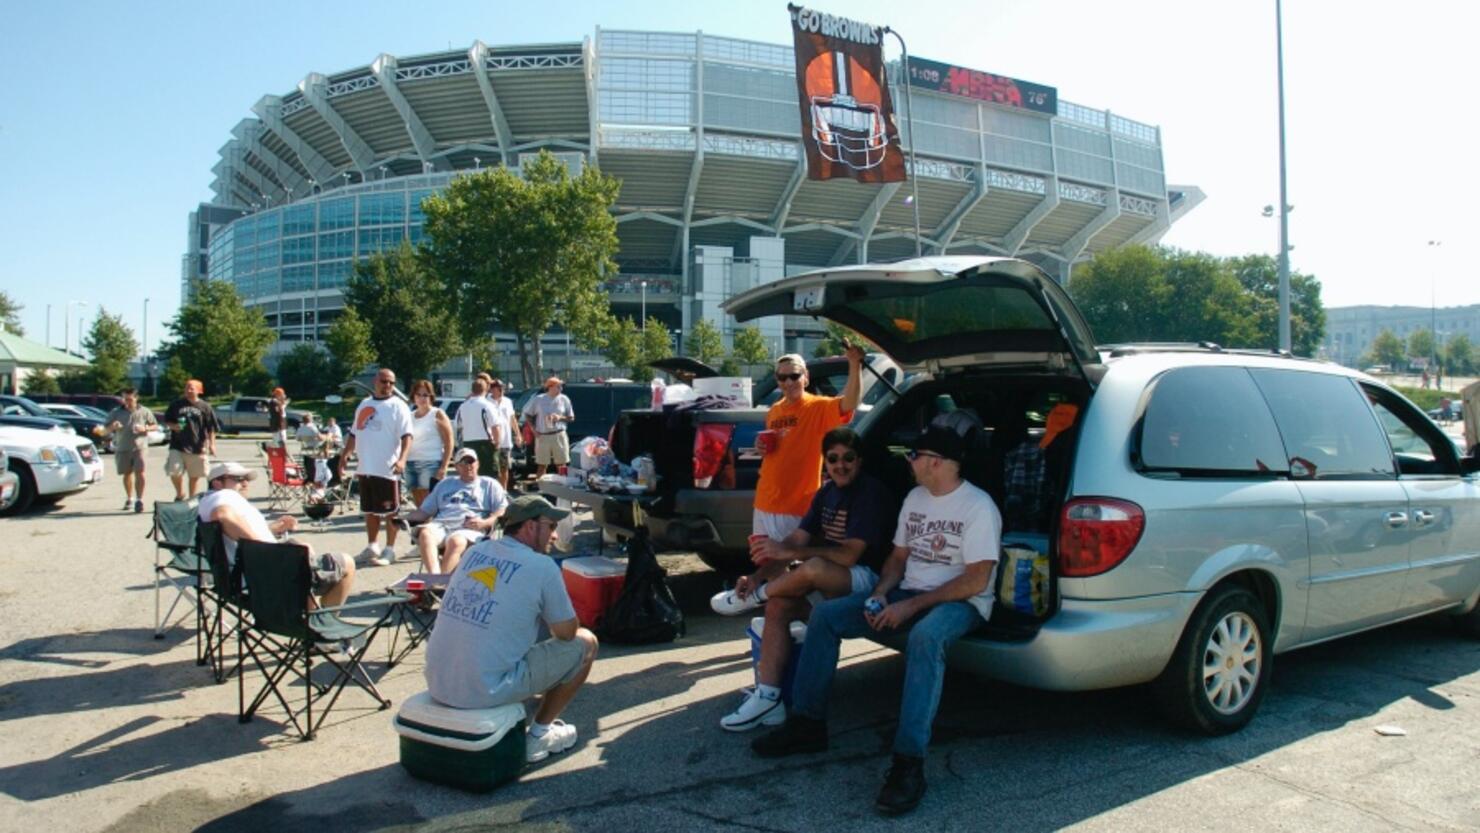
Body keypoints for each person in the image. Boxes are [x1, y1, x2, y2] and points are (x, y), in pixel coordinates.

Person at [752, 414, 1000, 817]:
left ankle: (908, 764)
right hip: (906, 591)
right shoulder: (915, 499)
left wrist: (911, 606)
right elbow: (898, 557)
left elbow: (976, 580)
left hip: (960, 603)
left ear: (936, 461)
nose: (910, 461)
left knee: (925, 638)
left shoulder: (978, 507)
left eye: (916, 455)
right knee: (827, 616)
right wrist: (882, 593)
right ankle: (808, 724)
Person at [712, 427, 897, 731]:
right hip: (831, 580)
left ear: (859, 461)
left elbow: (850, 555)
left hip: (869, 580)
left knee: (813, 566)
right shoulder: (825, 493)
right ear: (825, 462)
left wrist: (793, 557)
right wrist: (757, 576)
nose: (841, 465)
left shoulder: (870, 493)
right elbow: (792, 544)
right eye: (833, 458)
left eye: (848, 458)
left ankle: (752, 600)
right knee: (779, 607)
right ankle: (769, 699)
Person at [425, 494, 599, 764]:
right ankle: (540, 735)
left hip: (438, 681)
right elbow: (566, 633)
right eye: (550, 527)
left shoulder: (475, 551)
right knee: (586, 642)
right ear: (530, 527)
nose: (554, 535)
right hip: (484, 690)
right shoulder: (542, 566)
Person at [197, 461, 355, 608]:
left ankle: (312, 617)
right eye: (238, 479)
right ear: (217, 483)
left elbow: (230, 530)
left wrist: (271, 529)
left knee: (302, 547)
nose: (245, 483)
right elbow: (222, 515)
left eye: (246, 479)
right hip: (266, 575)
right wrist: (267, 549)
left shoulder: (207, 501)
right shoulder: (223, 496)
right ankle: (318, 623)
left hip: (242, 575)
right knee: (347, 563)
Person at [751, 347, 864, 545]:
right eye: (782, 377)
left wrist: (854, 365)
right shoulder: (774, 410)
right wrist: (759, 445)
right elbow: (777, 447)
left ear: (806, 377)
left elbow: (850, 403)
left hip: (796, 505)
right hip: (764, 500)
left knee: (786, 562)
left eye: (794, 376)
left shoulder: (818, 407)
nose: (788, 382)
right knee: (764, 560)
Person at [341, 368, 414, 567]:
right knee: (369, 510)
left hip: (388, 468)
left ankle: (389, 549)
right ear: (376, 381)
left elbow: (407, 436)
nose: (387, 385)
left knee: (391, 511)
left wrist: (402, 459)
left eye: (391, 382)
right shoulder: (364, 404)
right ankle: (372, 546)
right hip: (366, 466)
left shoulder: (398, 406)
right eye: (384, 381)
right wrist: (345, 454)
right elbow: (355, 433)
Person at [406, 447, 508, 574]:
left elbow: (502, 510)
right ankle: (434, 578)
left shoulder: (489, 484)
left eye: (471, 462)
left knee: (456, 541)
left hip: (470, 528)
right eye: (463, 463)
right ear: (457, 466)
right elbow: (424, 511)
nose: (468, 466)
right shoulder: (444, 484)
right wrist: (403, 519)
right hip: (442, 525)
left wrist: (485, 522)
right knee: (425, 533)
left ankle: (441, 583)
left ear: (478, 463)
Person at [103, 387, 158, 513]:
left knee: (140, 472)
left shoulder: (144, 411)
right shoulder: (116, 412)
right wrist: (113, 426)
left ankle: (140, 499)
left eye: (129, 398)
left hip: (140, 447)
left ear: (136, 398)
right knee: (127, 473)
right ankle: (130, 498)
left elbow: (154, 425)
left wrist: (145, 428)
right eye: (124, 399)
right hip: (123, 447)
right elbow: (105, 429)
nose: (126, 401)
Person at [164, 379, 219, 500]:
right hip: (177, 445)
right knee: (174, 472)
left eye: (191, 388)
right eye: (186, 387)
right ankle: (180, 494)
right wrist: (174, 426)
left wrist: (212, 444)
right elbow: (167, 420)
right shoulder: (176, 404)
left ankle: (191, 499)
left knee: (194, 476)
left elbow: (211, 428)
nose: (188, 390)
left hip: (197, 446)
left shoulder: (205, 407)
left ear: (199, 390)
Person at [406, 379, 455, 507]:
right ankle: (422, 525)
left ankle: (429, 525)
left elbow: (449, 441)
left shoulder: (437, 414)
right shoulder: (409, 416)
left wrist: (444, 466)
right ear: (413, 396)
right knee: (417, 500)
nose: (422, 398)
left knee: (430, 501)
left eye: (425, 395)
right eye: (419, 395)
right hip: (410, 462)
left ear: (431, 396)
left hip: (431, 462)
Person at [522, 377, 574, 479]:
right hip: (543, 436)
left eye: (561, 386)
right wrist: (534, 430)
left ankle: (563, 488)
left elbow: (571, 417)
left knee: (561, 465)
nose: (561, 389)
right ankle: (541, 487)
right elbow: (528, 414)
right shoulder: (539, 399)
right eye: (558, 386)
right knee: (542, 465)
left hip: (559, 434)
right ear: (550, 387)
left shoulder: (564, 399)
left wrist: (560, 417)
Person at [455, 379, 503, 483]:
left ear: (472, 390)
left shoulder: (462, 406)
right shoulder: (487, 405)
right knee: (489, 476)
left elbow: (458, 426)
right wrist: (497, 443)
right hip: (485, 444)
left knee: (471, 474)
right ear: (486, 389)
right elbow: (495, 426)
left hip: (468, 444)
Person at [488, 378, 521, 491]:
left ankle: (504, 492)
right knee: (493, 470)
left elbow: (512, 419)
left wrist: (517, 434)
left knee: (505, 468)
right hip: (492, 442)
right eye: (498, 388)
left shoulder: (508, 401)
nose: (501, 390)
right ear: (492, 390)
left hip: (506, 441)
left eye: (502, 388)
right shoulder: (486, 402)